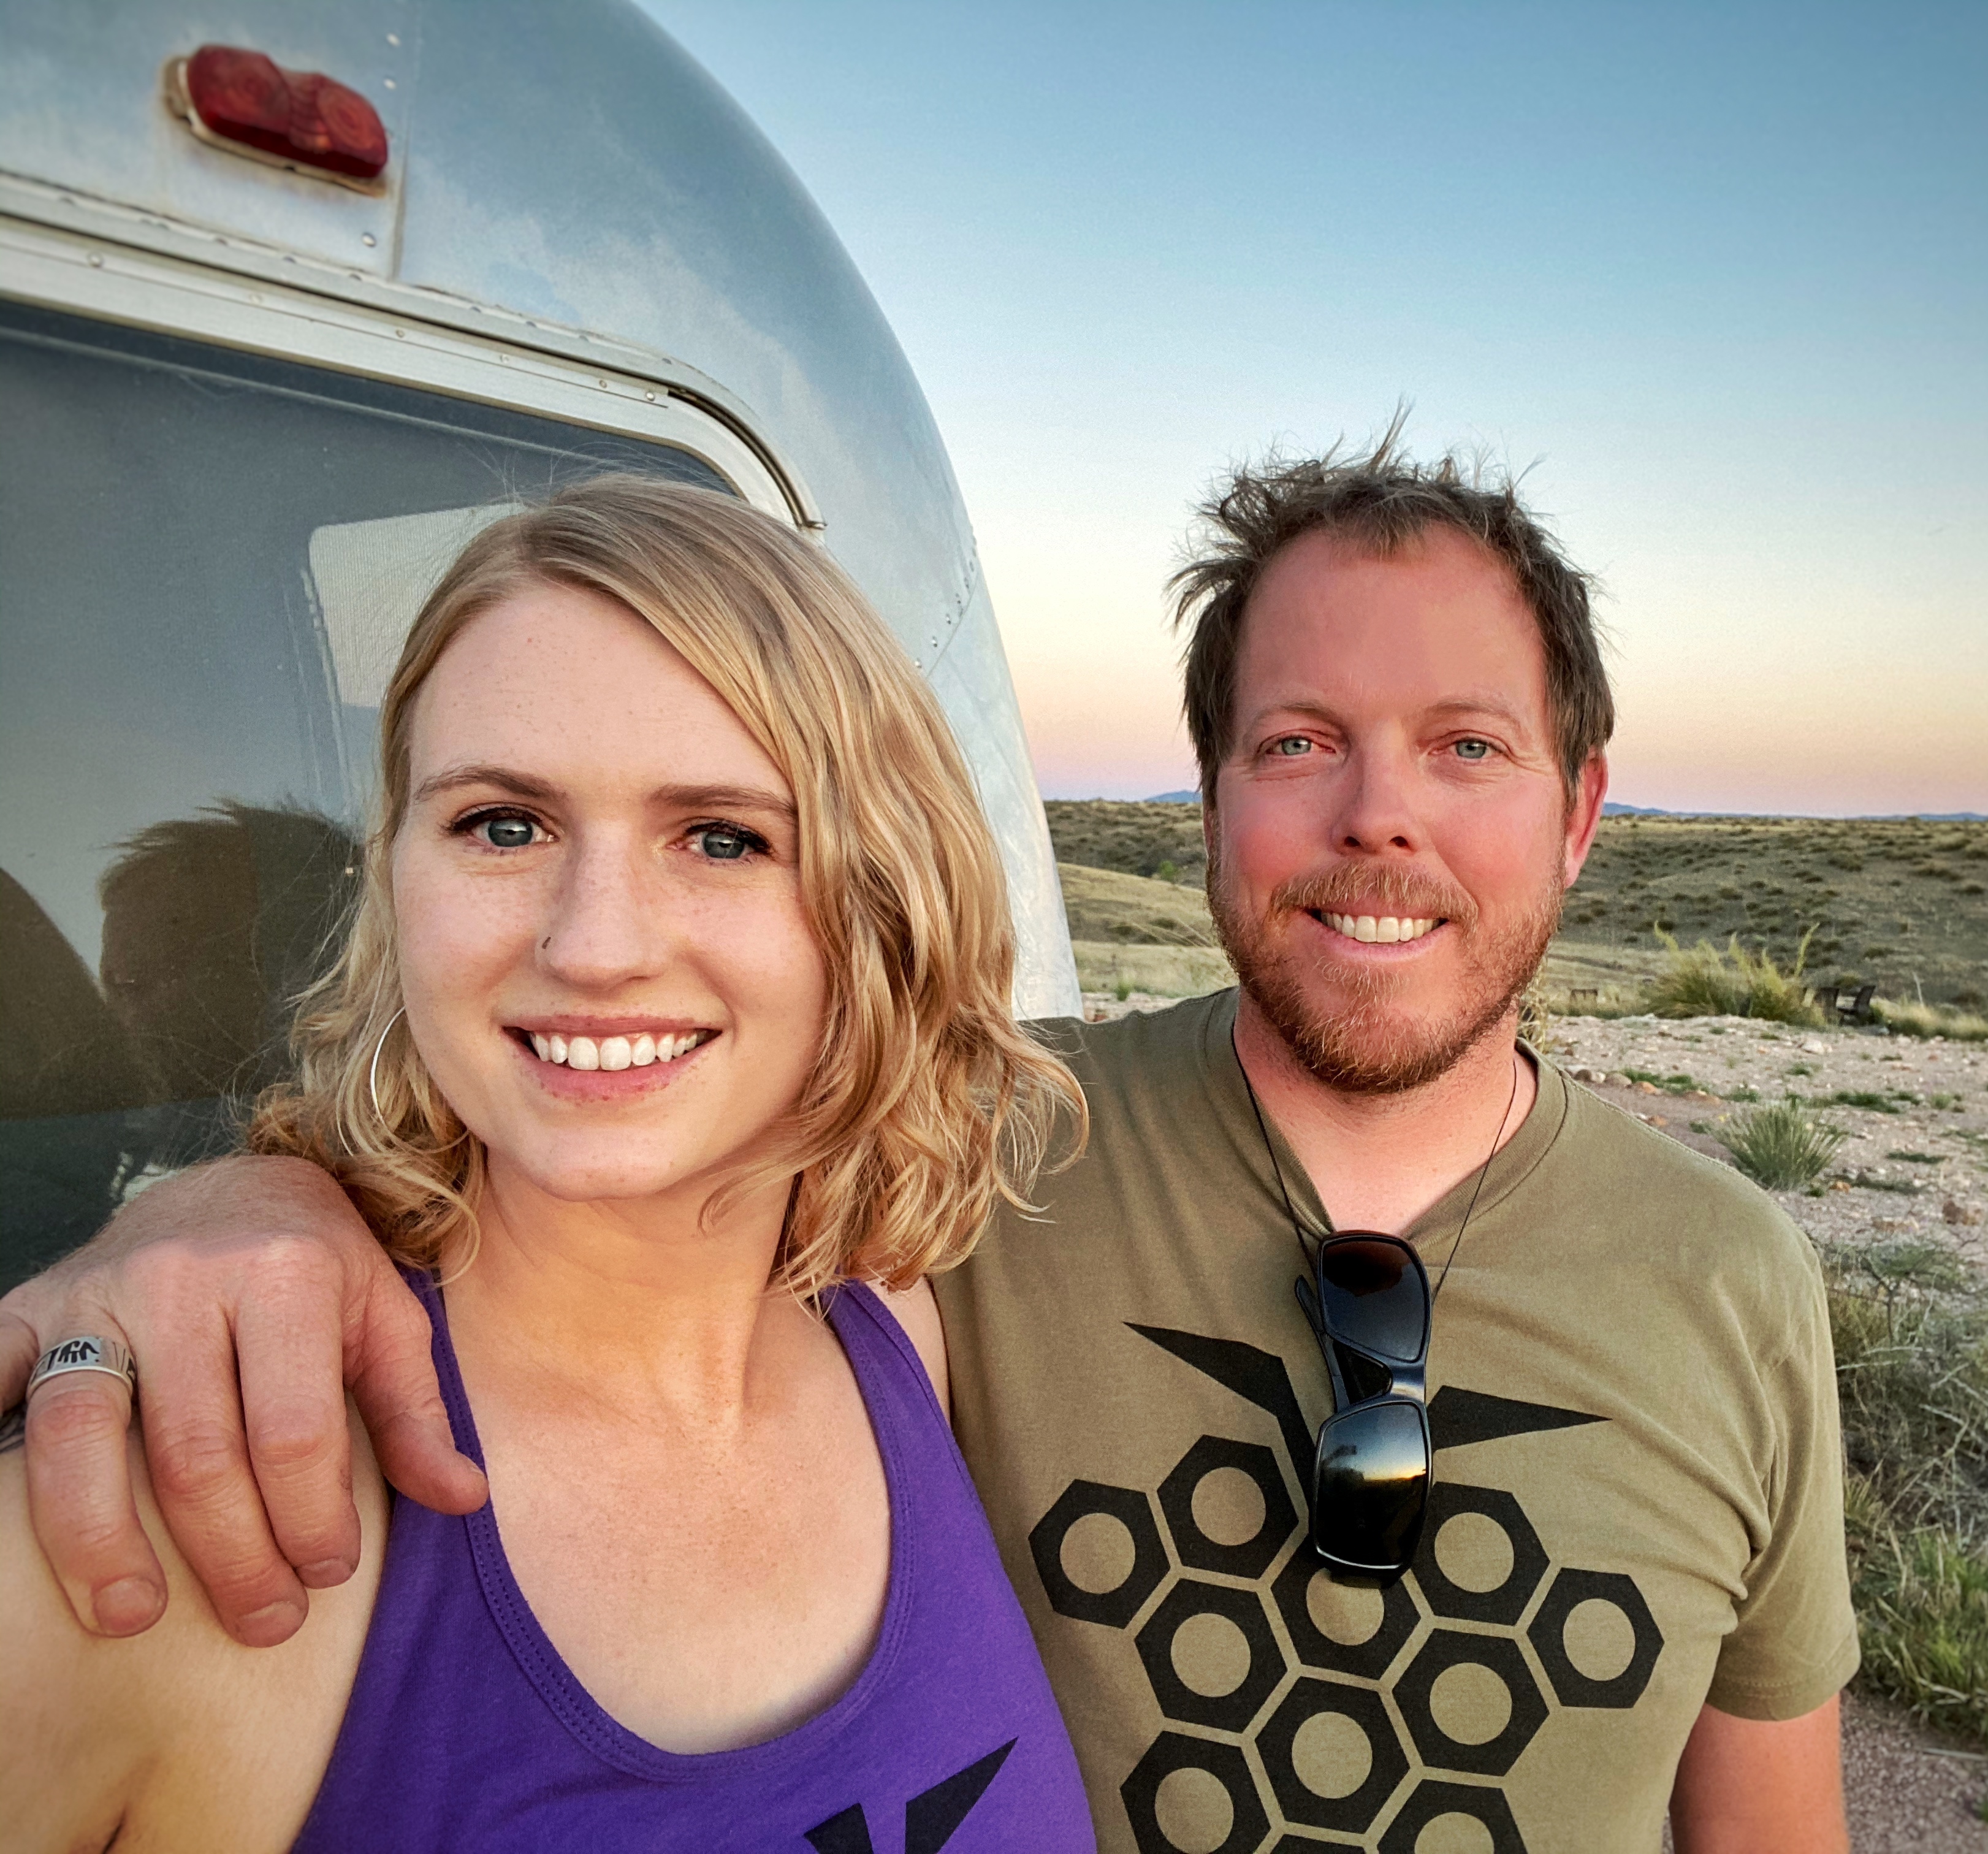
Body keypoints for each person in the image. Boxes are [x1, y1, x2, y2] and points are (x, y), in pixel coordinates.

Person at [7, 437, 1857, 1853]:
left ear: (1582, 811)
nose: (593, 938)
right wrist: (214, 1211)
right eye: (1298, 741)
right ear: (1206, 791)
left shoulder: (1730, 1283)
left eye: (1466, 746)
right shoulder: (982, 1174)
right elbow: (583, 1149)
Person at [0, 476, 1096, 1850]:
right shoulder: (177, 1532)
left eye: (721, 837)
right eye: (502, 826)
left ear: (882, 903)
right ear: (395, 879)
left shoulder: (894, 1330)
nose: (594, 945)